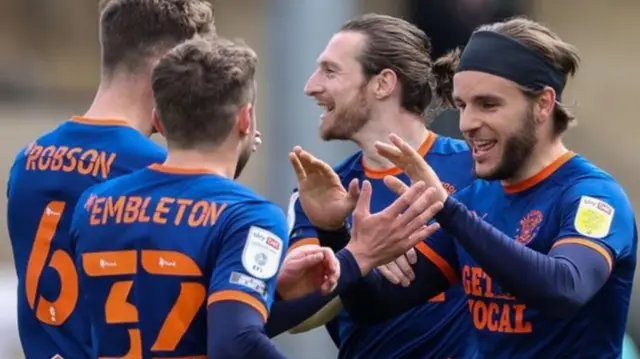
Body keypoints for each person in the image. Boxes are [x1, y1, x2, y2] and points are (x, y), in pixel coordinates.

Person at [69, 37, 444, 359]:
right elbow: (235, 341)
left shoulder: (93, 204)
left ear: (160, 121)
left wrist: (284, 286)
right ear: (245, 120)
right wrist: (358, 256)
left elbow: (191, 319)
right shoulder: (246, 215)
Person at [299, 17, 636, 358]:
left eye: (488, 104)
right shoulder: (477, 198)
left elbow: (565, 288)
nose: (467, 123)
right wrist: (333, 232)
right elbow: (374, 307)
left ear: (544, 104)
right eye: (462, 105)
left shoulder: (592, 197)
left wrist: (448, 210)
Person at [5, 1, 216, 358]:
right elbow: (205, 318)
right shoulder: (156, 170)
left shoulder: (26, 161)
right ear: (166, 66)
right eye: (191, 70)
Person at [284, 13, 477, 359]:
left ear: (383, 83)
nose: (310, 86)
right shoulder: (318, 193)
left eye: (330, 71)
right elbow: (296, 316)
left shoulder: (475, 169)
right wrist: (363, 253)